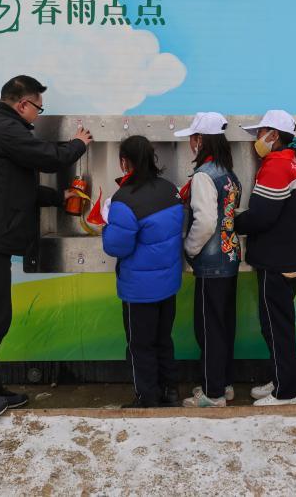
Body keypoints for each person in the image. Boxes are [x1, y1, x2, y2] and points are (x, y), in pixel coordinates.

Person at [0, 76, 92, 428]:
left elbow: (18, 190)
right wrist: (78, 144)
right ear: (22, 104)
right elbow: (48, 158)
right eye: (37, 109)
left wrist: (61, 199)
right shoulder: (4, 128)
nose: (38, 117)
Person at [235, 109, 296, 406]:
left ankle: (286, 393)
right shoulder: (292, 160)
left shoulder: (277, 164)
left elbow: (261, 216)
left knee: (276, 326)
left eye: (260, 133)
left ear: (274, 135)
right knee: (275, 324)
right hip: (285, 258)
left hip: (275, 259)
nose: (258, 139)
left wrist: (231, 222)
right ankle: (280, 379)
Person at [103, 135, 184, 408]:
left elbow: (116, 247)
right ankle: (170, 390)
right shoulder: (170, 189)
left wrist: (106, 225)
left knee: (140, 346)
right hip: (168, 284)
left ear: (125, 162)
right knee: (163, 340)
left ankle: (147, 397)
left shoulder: (124, 199)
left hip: (139, 291)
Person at [174, 113, 242, 408]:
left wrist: (190, 249)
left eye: (193, 137)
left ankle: (212, 393)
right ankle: (223, 383)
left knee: (208, 329)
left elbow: (204, 222)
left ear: (200, 140)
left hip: (211, 263)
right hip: (230, 257)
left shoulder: (204, 175)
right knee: (224, 325)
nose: (190, 142)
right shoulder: (227, 172)